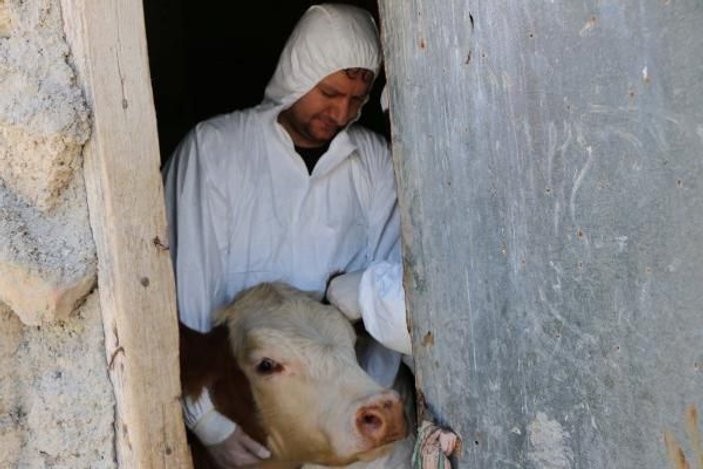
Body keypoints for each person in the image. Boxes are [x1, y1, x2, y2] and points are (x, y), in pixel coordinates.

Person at [162, 4, 409, 467]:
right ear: (297, 74)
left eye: (357, 99)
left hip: (344, 412)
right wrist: (207, 423)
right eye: (329, 92)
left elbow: (386, 293)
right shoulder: (215, 150)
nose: (340, 112)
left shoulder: (372, 162)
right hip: (242, 414)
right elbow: (183, 297)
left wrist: (360, 411)